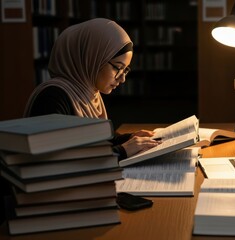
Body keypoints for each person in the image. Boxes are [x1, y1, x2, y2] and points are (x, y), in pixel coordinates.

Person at [24, 18, 161, 160]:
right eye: (118, 68)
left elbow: (99, 140)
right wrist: (123, 151)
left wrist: (129, 138)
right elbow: (58, 161)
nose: (122, 78)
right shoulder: (52, 98)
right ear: (91, 58)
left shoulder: (88, 93)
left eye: (125, 70)